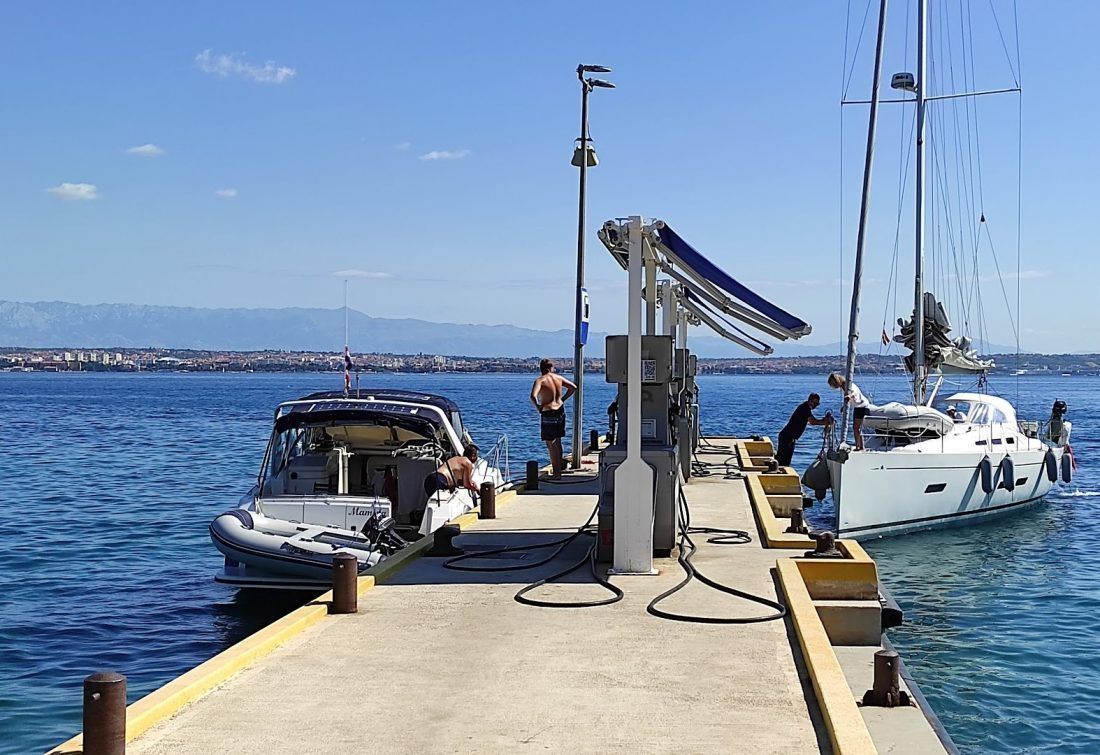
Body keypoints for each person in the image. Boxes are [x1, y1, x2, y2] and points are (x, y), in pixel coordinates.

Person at [530, 358, 576, 477]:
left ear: (541, 369)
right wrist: (563, 399)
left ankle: (556, 473)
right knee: (558, 441)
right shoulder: (558, 378)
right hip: (560, 410)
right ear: (551, 368)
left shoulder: (540, 380)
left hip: (548, 411)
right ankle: (558, 471)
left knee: (550, 443)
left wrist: (538, 407)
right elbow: (573, 387)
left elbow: (533, 396)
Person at [776, 393, 833, 467]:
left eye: (816, 404)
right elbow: (812, 421)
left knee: (784, 460)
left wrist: (823, 421)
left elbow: (813, 420)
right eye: (813, 402)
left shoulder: (805, 408)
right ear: (809, 400)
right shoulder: (805, 408)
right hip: (787, 438)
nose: (814, 405)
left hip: (788, 438)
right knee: (783, 461)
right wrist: (825, 422)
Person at [827, 372, 873, 451]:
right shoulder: (843, 387)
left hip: (862, 406)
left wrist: (849, 396)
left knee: (856, 428)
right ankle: (860, 446)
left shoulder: (848, 385)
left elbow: (853, 392)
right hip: (857, 406)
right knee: (856, 428)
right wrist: (844, 406)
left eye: (834, 384)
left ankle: (860, 447)